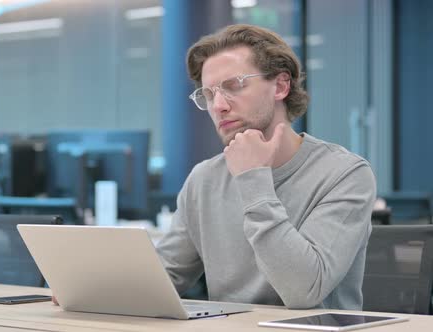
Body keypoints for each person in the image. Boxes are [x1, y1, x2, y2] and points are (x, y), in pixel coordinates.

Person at [154, 24, 376, 310]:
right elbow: (164, 278)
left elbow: (302, 291)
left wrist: (252, 179)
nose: (218, 105)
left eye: (234, 85)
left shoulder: (344, 173)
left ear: (281, 86)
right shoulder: (204, 179)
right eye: (209, 94)